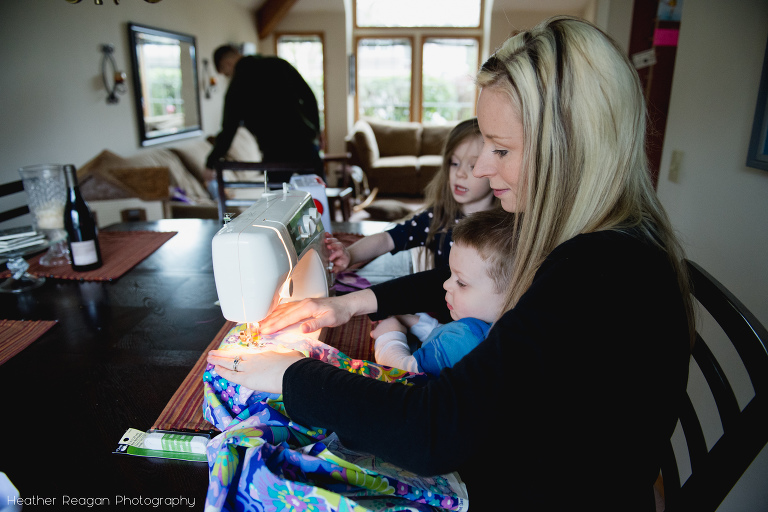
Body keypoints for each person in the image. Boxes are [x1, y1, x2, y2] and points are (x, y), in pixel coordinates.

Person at [208, 16, 694, 511]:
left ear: (570, 151)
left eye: (501, 149)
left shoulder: (600, 275)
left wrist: (290, 374)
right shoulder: (602, 243)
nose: (483, 168)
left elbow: (432, 430)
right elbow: (459, 283)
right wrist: (348, 305)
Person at [324, 118, 497, 275]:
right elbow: (387, 239)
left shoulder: (509, 226)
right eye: (454, 163)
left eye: (473, 166)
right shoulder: (438, 218)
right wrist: (350, 254)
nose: (459, 173)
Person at [372, 208, 515, 375]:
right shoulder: (490, 329)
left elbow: (405, 372)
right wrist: (417, 322)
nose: (446, 284)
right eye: (450, 274)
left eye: (461, 283)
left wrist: (389, 335)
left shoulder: (467, 340)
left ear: (510, 295)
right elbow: (449, 336)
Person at [204, 45, 323, 195]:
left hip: (275, 152)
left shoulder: (236, 87)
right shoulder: (279, 64)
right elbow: (309, 98)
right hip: (303, 143)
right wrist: (316, 133)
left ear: (227, 64)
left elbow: (228, 130)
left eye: (226, 74)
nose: (229, 76)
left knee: (280, 203)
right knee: (318, 198)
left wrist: (210, 162)